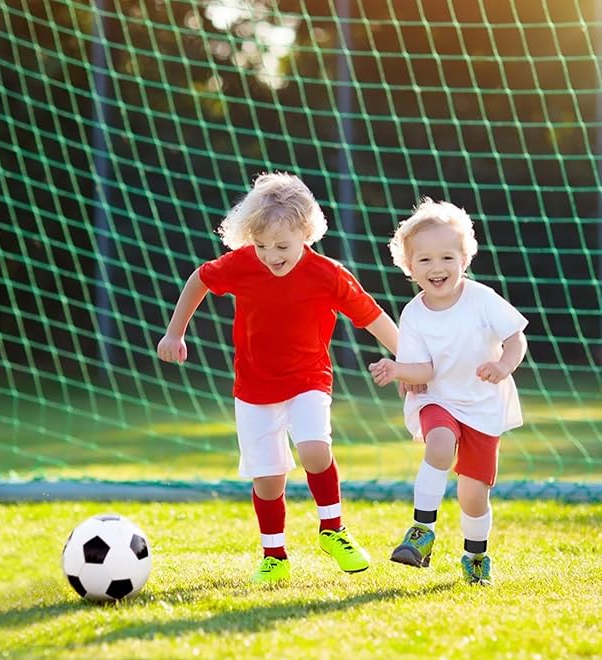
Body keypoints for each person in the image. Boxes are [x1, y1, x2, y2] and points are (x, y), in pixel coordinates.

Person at [158, 172, 399, 584]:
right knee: (268, 480)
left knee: (313, 449)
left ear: (307, 233)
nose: (271, 255)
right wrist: (175, 332)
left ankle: (333, 530)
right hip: (253, 390)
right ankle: (274, 555)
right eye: (263, 245)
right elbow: (200, 278)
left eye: (282, 245)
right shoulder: (244, 264)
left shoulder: (328, 274)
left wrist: (409, 360)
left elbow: (371, 315)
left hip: (308, 379)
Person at [369, 198, 528, 586]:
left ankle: (476, 556)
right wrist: (396, 369)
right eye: (424, 260)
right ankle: (421, 532)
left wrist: (503, 366)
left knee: (473, 496)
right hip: (436, 399)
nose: (436, 268)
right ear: (409, 267)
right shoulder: (414, 314)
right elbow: (424, 371)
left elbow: (515, 338)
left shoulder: (482, 299)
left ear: (464, 259)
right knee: (438, 444)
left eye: (446, 258)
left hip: (482, 405)